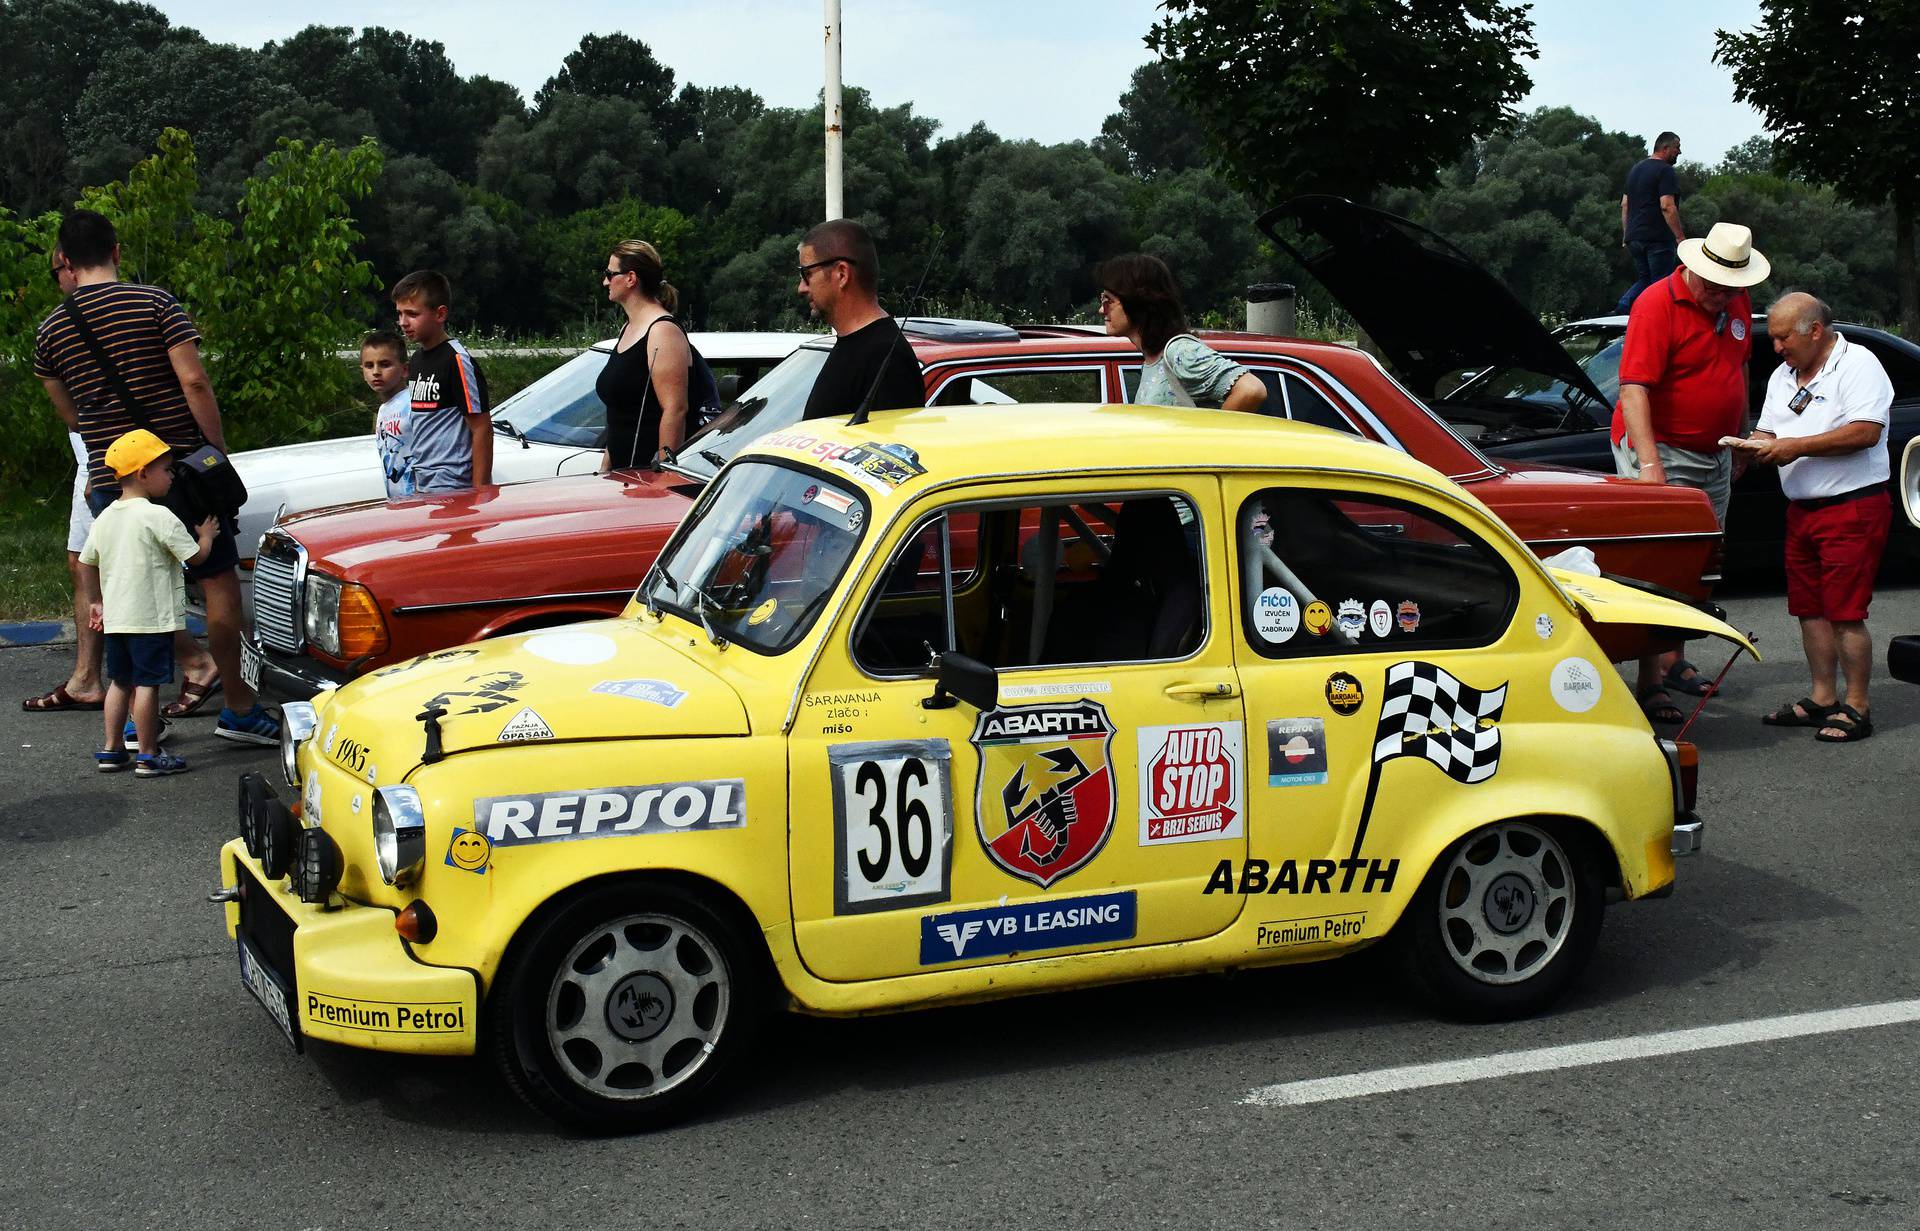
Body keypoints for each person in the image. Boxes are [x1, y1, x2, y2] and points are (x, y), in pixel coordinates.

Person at [33, 209, 278, 744]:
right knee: (215, 582)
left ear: (66, 262)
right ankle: (238, 706)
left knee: (131, 595)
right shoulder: (155, 302)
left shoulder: (51, 331)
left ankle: (133, 721)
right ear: (117, 251)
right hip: (180, 471)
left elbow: (70, 415)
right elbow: (193, 381)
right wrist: (213, 447)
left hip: (111, 479)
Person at [1612, 220, 1769, 724]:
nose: (1722, 296)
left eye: (1732, 288)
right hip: (1665, 446)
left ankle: (1672, 658)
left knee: (1703, 561)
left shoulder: (1734, 301)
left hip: (1716, 449)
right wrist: (1650, 464)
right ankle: (1650, 682)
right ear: (1693, 269)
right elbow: (1633, 388)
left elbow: (1739, 368)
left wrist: (1741, 435)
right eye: (1714, 286)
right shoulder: (1657, 303)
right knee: (1659, 566)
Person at [1745, 293, 1894, 743]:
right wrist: (1754, 444)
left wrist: (1794, 446)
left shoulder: (1859, 364)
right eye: (1773, 338)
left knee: (1845, 612)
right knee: (1809, 610)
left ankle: (1858, 706)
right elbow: (1770, 428)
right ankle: (1822, 697)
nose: (1776, 347)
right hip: (1803, 508)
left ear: (1814, 329)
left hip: (1852, 504)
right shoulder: (1783, 375)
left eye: (1782, 337)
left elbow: (1866, 431)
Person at [79, 430, 220, 777]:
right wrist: (206, 537)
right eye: (166, 470)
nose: (170, 476)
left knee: (120, 683)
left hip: (117, 619)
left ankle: (111, 749)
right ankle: (148, 753)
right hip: (150, 621)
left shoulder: (107, 516)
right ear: (143, 473)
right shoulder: (159, 516)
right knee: (147, 685)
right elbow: (195, 557)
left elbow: (85, 562)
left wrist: (96, 601)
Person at [22, 244, 107, 715]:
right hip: (91, 457)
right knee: (83, 562)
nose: (56, 279)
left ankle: (191, 661)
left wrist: (99, 458)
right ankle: (87, 677)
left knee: (122, 566)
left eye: (57, 270)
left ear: (71, 268)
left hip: (109, 459)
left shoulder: (97, 315)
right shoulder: (64, 322)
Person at [1095, 253, 1266, 412]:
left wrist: (1208, 441)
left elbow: (1251, 390)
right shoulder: (1153, 360)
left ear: (1137, 302)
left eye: (1108, 300)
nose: (1102, 310)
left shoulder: (1180, 352)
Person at [797, 219, 923, 420]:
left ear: (842, 274)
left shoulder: (886, 356)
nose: (801, 287)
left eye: (807, 274)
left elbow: (889, 447)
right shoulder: (851, 344)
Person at [597, 240, 691, 471]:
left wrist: (664, 474)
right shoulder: (627, 329)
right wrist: (604, 471)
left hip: (648, 478)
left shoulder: (662, 331)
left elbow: (675, 410)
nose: (605, 281)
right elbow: (619, 417)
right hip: (621, 477)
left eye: (610, 274)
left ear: (631, 278)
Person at [392, 270, 491, 491]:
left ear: (440, 314)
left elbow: (481, 427)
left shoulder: (456, 359)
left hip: (453, 481)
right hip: (423, 478)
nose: (403, 322)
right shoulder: (416, 359)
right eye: (399, 314)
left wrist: (481, 490)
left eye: (412, 314)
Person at [1614, 132, 1687, 314]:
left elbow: (1625, 204)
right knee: (1661, 285)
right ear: (1665, 148)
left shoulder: (1635, 169)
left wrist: (1626, 235)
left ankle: (1623, 308)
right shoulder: (1665, 170)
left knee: (1645, 279)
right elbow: (1667, 205)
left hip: (1635, 238)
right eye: (1677, 147)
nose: (1679, 152)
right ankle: (1656, 318)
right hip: (1657, 238)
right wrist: (1680, 237)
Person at [363, 329, 413, 500]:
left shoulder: (414, 403)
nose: (376, 372)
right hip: (397, 502)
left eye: (385, 364)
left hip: (420, 501)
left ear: (404, 369)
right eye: (369, 365)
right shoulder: (384, 409)